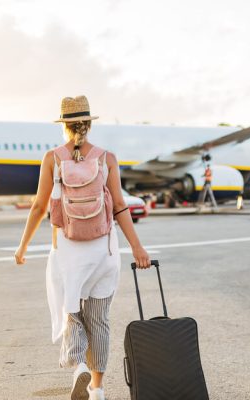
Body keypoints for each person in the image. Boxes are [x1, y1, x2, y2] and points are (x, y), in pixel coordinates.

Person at [14, 95, 150, 400]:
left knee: (72, 313)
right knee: (99, 319)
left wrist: (22, 247)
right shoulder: (107, 158)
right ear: (89, 124)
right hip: (104, 251)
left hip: (68, 252)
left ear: (64, 126)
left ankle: (79, 368)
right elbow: (118, 205)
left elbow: (39, 206)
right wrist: (138, 248)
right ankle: (97, 388)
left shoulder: (53, 158)